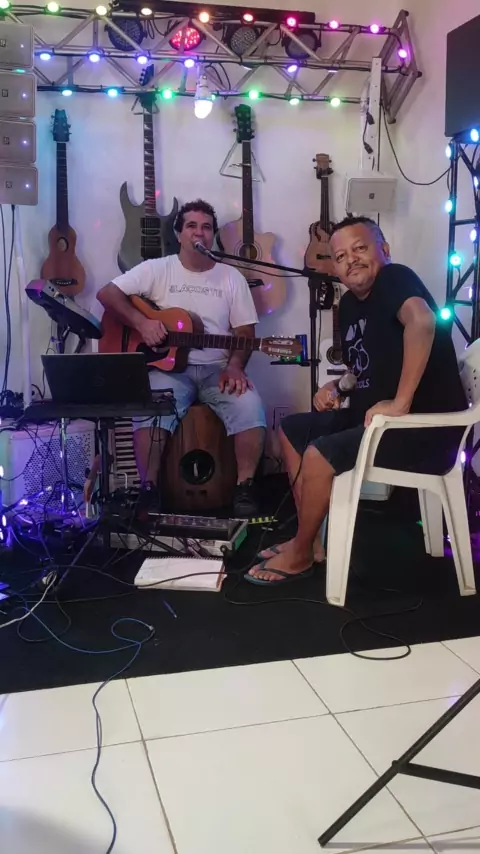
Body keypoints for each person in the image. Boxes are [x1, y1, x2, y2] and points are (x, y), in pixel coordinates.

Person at [246, 216, 467, 585]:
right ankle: (311, 541)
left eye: (360, 248)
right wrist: (337, 388)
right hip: (376, 420)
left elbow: (422, 323)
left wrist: (400, 403)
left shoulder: (394, 278)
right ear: (334, 267)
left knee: (318, 454)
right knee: (291, 430)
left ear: (384, 250)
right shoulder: (348, 305)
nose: (351, 260)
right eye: (340, 256)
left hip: (423, 428)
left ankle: (299, 554)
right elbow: (359, 368)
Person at [97, 198, 266, 517]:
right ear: (178, 234)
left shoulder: (231, 277)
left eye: (206, 227)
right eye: (191, 226)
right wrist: (142, 323)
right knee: (150, 409)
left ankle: (244, 487)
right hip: (168, 370)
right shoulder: (157, 269)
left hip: (217, 368)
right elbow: (107, 294)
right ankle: (149, 489)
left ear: (213, 235)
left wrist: (234, 366)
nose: (199, 232)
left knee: (249, 405)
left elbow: (245, 331)